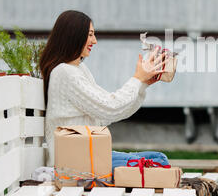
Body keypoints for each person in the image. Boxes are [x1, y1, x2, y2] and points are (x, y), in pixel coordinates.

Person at [40, 10, 168, 166]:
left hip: (88, 155)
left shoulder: (78, 70)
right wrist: (137, 78)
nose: (94, 41)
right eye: (90, 34)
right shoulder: (64, 72)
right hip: (75, 163)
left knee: (158, 158)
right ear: (73, 35)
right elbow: (111, 107)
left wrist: (142, 85)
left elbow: (110, 112)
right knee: (159, 160)